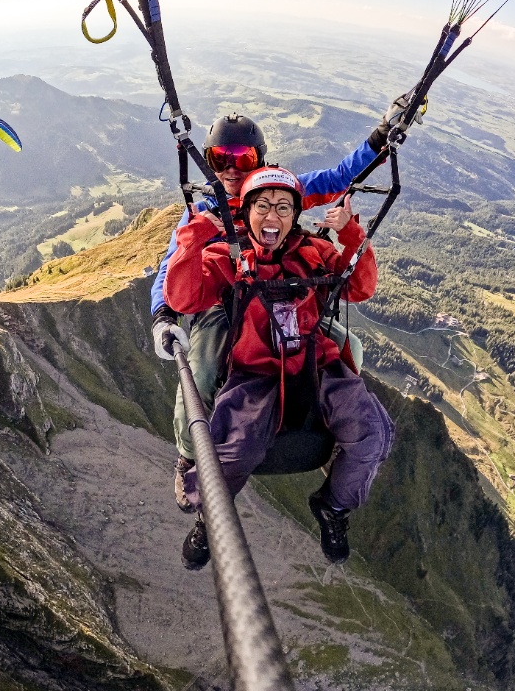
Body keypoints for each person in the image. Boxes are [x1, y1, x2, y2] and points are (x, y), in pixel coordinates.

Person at [151, 97, 415, 513]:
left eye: (244, 158)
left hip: (279, 295)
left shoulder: (273, 193)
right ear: (207, 161)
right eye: (221, 158)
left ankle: (332, 426)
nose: (232, 170)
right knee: (200, 371)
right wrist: (163, 316)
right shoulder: (202, 212)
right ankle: (190, 452)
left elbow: (342, 177)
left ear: (259, 161)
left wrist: (381, 138)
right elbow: (171, 270)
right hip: (224, 300)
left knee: (351, 350)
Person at [161, 167, 395, 569]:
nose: (273, 217)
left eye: (283, 208)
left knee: (373, 433)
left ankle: (334, 508)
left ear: (295, 215)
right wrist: (194, 237)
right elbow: (183, 299)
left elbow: (359, 287)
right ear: (247, 212)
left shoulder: (315, 253)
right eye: (263, 206)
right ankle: (208, 516)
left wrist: (352, 235)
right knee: (231, 452)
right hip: (256, 373)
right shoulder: (228, 257)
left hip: (317, 365)